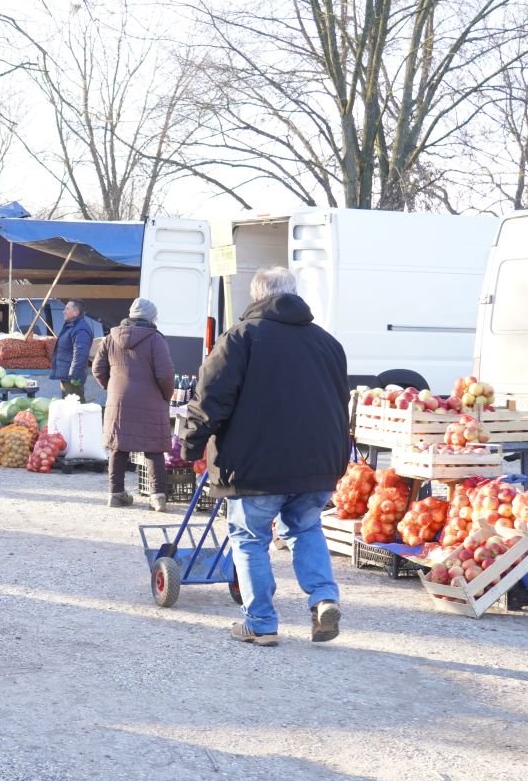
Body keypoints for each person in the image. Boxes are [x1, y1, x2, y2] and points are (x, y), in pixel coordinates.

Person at [184, 266, 350, 647]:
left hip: (254, 465)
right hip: (317, 463)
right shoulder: (327, 343)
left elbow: (211, 400)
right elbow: (341, 405)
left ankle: (260, 622)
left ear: (257, 297)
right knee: (306, 529)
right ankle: (324, 598)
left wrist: (192, 444)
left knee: (248, 537)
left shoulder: (241, 338)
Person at [93, 298, 175, 511]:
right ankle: (157, 497)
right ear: (151, 316)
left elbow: (97, 369)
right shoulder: (155, 339)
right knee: (153, 448)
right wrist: (166, 395)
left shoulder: (110, 338)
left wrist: (111, 389)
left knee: (118, 447)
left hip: (118, 400)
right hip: (150, 399)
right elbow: (165, 374)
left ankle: (115, 494)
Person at [51, 299, 95, 402]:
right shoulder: (71, 326)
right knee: (69, 409)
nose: (63, 311)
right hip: (67, 376)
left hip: (72, 378)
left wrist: (74, 376)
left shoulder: (80, 329)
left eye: (67, 308)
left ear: (76, 312)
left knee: (76, 409)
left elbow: (80, 354)